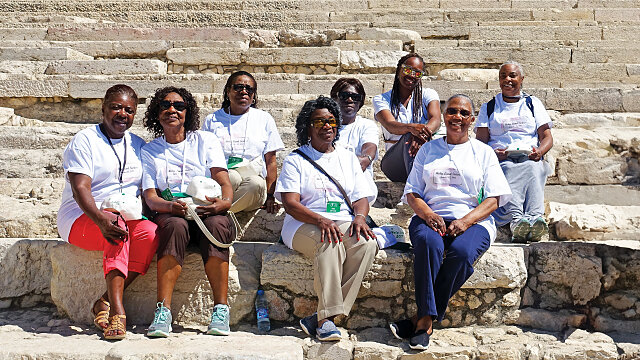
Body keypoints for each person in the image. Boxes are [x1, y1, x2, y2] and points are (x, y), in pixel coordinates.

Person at [390, 95, 511, 350]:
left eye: (464, 113)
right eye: (452, 111)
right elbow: (412, 192)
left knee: (462, 253)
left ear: (472, 119)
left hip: (473, 220)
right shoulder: (428, 149)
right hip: (430, 217)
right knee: (428, 244)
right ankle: (425, 322)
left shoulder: (483, 152)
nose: (457, 117)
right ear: (443, 116)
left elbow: (495, 198)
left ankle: (421, 319)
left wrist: (466, 221)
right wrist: (428, 215)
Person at [57, 84, 158, 340]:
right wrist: (101, 219)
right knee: (117, 225)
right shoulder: (85, 140)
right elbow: (80, 188)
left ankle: (102, 301)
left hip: (123, 216)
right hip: (83, 218)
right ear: (103, 108)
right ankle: (117, 311)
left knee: (150, 233)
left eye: (129, 110)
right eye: (116, 107)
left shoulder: (138, 144)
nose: (122, 114)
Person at [275, 96, 379, 341]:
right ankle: (326, 321)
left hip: (341, 219)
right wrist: (321, 220)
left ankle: (323, 317)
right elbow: (290, 204)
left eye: (331, 121)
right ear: (307, 126)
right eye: (319, 121)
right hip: (302, 224)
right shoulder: (296, 159)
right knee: (329, 242)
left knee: (366, 244)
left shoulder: (347, 158)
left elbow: (360, 197)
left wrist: (361, 217)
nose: (327, 126)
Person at [141, 86, 235, 337]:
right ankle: (163, 311)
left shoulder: (205, 141)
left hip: (204, 210)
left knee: (218, 225)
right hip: (170, 210)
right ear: (156, 113)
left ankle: (221, 309)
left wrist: (224, 203)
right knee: (174, 226)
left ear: (188, 111)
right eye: (165, 105)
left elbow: (223, 181)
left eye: (179, 106)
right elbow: (150, 197)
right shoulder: (150, 151)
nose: (172, 110)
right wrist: (170, 206)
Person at [475, 61, 554, 243]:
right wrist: (494, 153)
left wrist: (539, 151)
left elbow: (547, 137)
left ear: (522, 79)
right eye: (503, 76)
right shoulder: (490, 107)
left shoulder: (532, 103)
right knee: (509, 169)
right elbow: (481, 142)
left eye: (512, 76)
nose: (507, 80)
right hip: (501, 158)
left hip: (529, 155)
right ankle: (517, 219)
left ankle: (535, 218)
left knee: (534, 168)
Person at [202, 71, 284, 214]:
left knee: (256, 184)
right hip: (224, 179)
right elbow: (204, 157)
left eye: (249, 89)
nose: (244, 92)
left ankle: (217, 214)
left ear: (254, 95)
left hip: (253, 180)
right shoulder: (212, 119)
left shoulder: (264, 119)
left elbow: (271, 161)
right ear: (228, 91)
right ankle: (223, 213)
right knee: (231, 177)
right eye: (238, 87)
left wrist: (271, 196)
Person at [373, 53, 441, 182]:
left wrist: (420, 135)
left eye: (417, 73)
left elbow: (436, 120)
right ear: (399, 69)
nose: (411, 75)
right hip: (394, 163)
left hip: (423, 153)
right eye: (408, 70)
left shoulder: (428, 94)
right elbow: (390, 125)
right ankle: (412, 193)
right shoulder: (381, 99)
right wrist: (411, 129)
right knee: (408, 137)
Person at [330, 77, 379, 204]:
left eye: (355, 97)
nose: (350, 100)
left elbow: (368, 153)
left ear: (360, 101)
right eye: (344, 95)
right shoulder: (325, 127)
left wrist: (366, 158)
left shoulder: (366, 126)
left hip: (358, 194)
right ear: (334, 98)